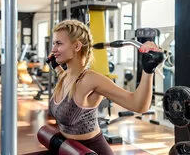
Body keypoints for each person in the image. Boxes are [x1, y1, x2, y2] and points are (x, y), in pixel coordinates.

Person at [47, 19, 163, 155]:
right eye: (54, 43)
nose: (53, 49)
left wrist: (148, 71)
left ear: (77, 46)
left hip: (92, 151)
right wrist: (56, 67)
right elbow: (67, 80)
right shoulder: (67, 76)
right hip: (69, 149)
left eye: (59, 44)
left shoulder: (90, 79)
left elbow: (138, 105)